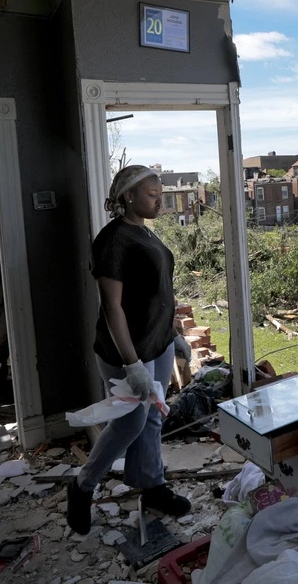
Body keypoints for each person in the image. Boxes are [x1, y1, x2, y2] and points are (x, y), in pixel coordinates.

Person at [67, 165, 191, 534]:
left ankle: (152, 485)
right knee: (131, 422)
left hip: (158, 343)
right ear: (129, 197)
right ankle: (83, 484)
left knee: (153, 417)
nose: (160, 200)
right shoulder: (114, 241)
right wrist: (131, 363)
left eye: (161, 194)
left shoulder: (144, 233)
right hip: (128, 352)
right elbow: (112, 307)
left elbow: (160, 289)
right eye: (153, 194)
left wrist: (174, 331)